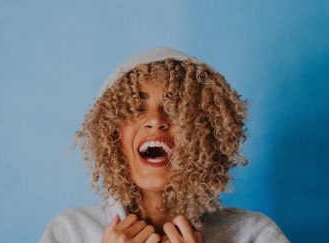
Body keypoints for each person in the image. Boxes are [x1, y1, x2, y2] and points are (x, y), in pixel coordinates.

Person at [40, 47, 289, 243]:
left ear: (207, 134)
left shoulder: (254, 235)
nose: (156, 121)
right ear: (111, 134)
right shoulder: (69, 232)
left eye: (175, 109)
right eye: (136, 109)